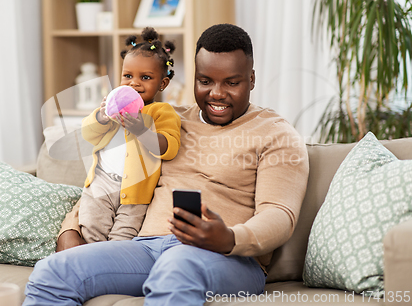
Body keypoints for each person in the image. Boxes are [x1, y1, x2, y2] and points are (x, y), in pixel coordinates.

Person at [23, 24, 309, 305]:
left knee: (176, 266)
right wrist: (70, 229)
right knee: (52, 272)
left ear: (252, 79)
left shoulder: (276, 134)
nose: (217, 94)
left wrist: (230, 238)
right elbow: (110, 174)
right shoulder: (164, 120)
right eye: (205, 81)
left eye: (232, 82)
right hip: (145, 247)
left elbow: (279, 215)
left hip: (227, 257)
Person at [78, 27, 181, 243]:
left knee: (123, 237)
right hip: (102, 181)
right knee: (90, 225)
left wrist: (141, 130)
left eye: (145, 77)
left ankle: (112, 266)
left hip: (137, 191)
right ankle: (92, 262)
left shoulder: (161, 111)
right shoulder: (113, 108)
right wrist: (102, 116)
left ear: (162, 83)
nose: (134, 83)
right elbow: (88, 134)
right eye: (127, 76)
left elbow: (168, 147)